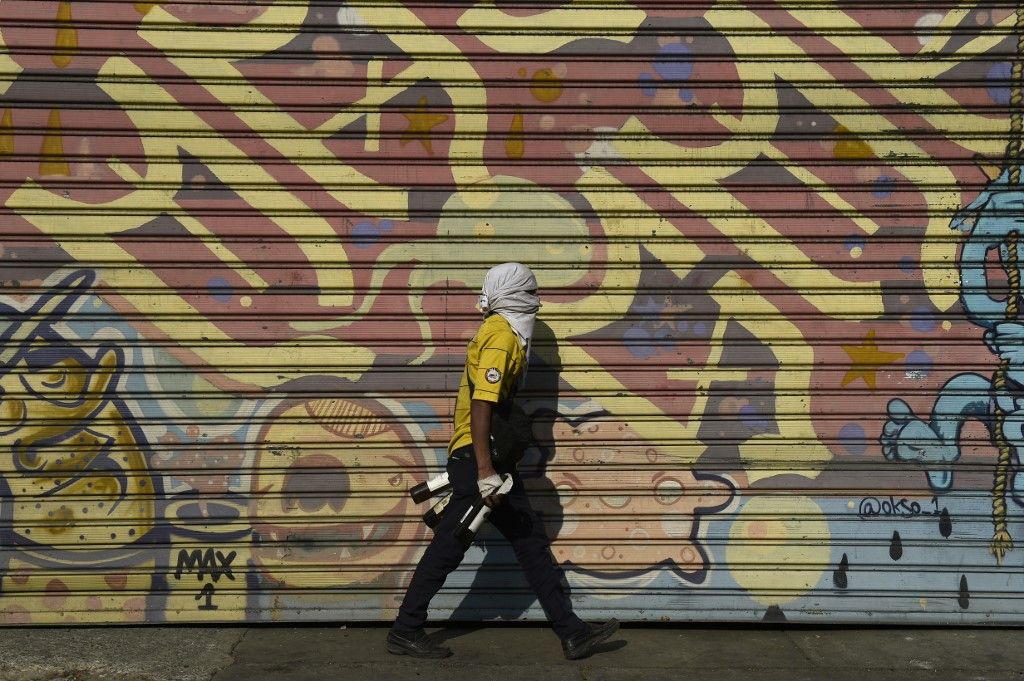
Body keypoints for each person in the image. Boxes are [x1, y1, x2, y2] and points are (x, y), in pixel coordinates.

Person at [386, 262, 619, 660]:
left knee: (527, 539)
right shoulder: (501, 335)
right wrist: (484, 471)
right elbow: (483, 401)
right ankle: (405, 629)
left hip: (490, 458)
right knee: (449, 546)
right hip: (479, 459)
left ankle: (572, 632)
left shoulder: (505, 333)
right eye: (529, 292)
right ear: (509, 294)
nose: (536, 301)